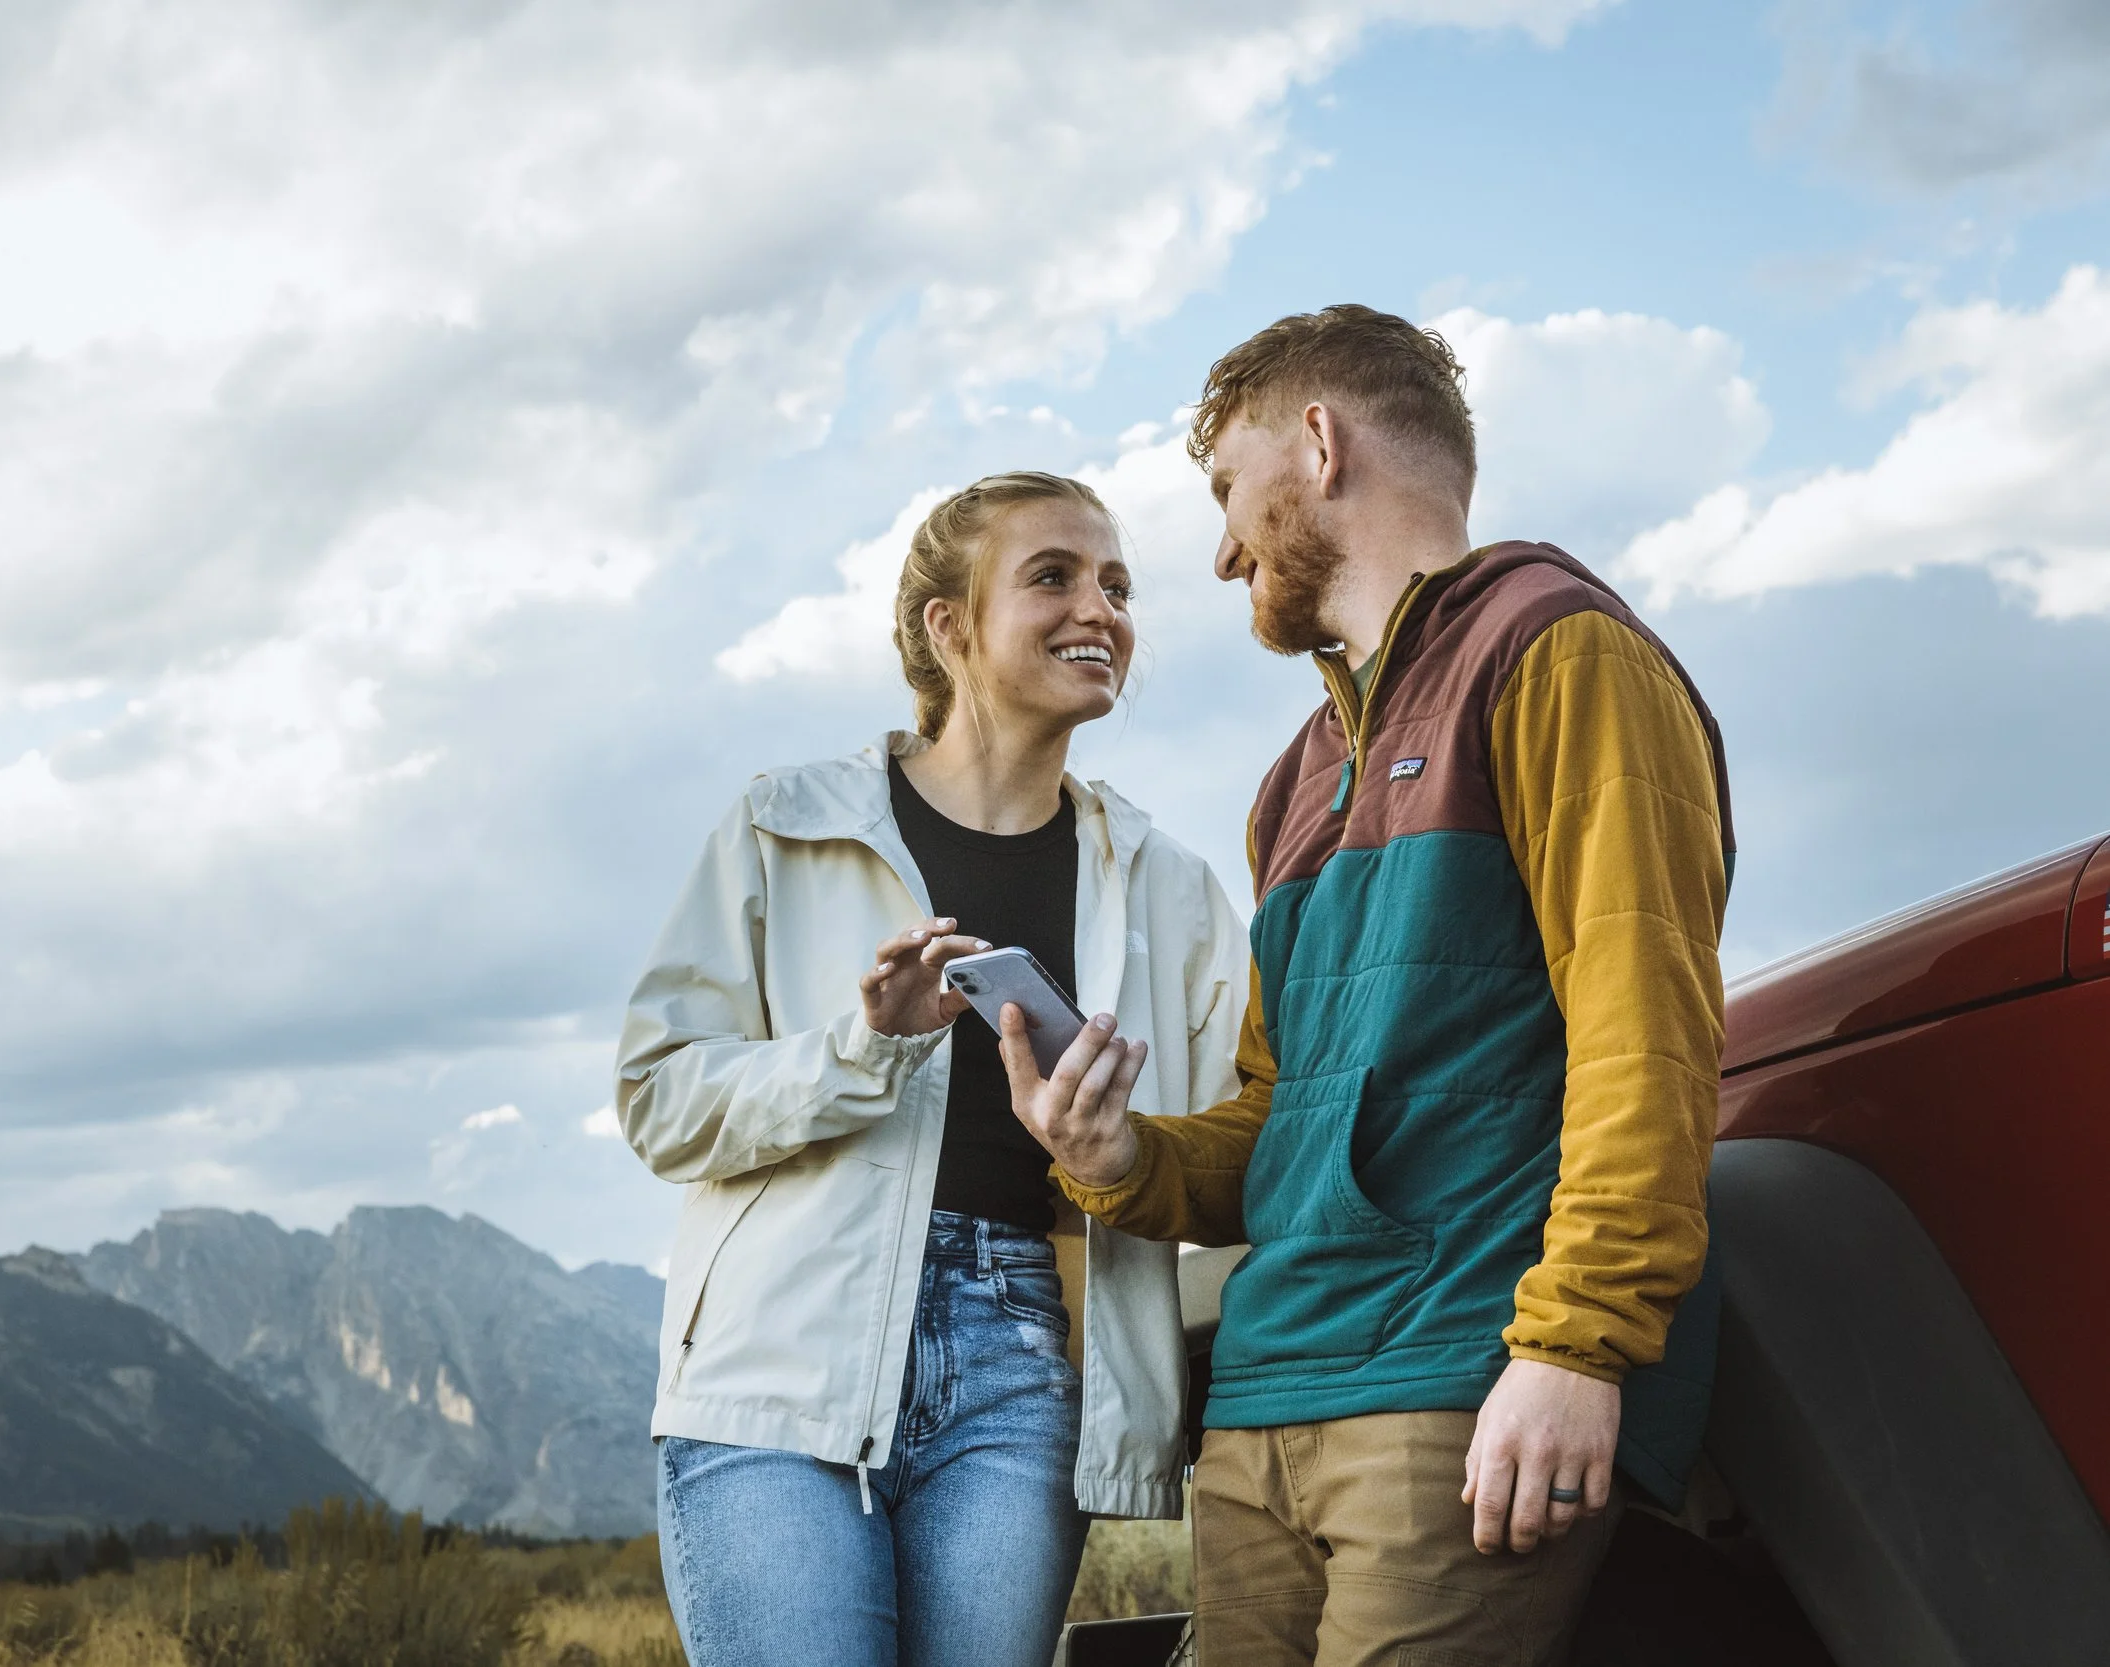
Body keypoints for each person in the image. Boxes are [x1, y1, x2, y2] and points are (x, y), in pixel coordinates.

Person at [1004, 307, 1733, 1667]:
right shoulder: (1295, 780)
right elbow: (1286, 1119)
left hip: (1456, 1391)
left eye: (1228, 489)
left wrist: (1577, 1345)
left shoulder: (1558, 651)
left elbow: (1650, 1044)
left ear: (1321, 443)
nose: (1222, 550)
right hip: (1268, 1403)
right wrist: (1115, 1154)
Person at [614, 471, 1249, 1667]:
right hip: (779, 1363)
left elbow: (1241, 1147)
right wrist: (864, 1051)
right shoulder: (780, 825)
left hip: (1028, 1358)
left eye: (1116, 585)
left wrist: (1116, 1152)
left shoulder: (1169, 882)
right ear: (945, 625)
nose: (1100, 610)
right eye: (1052, 576)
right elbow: (658, 1100)